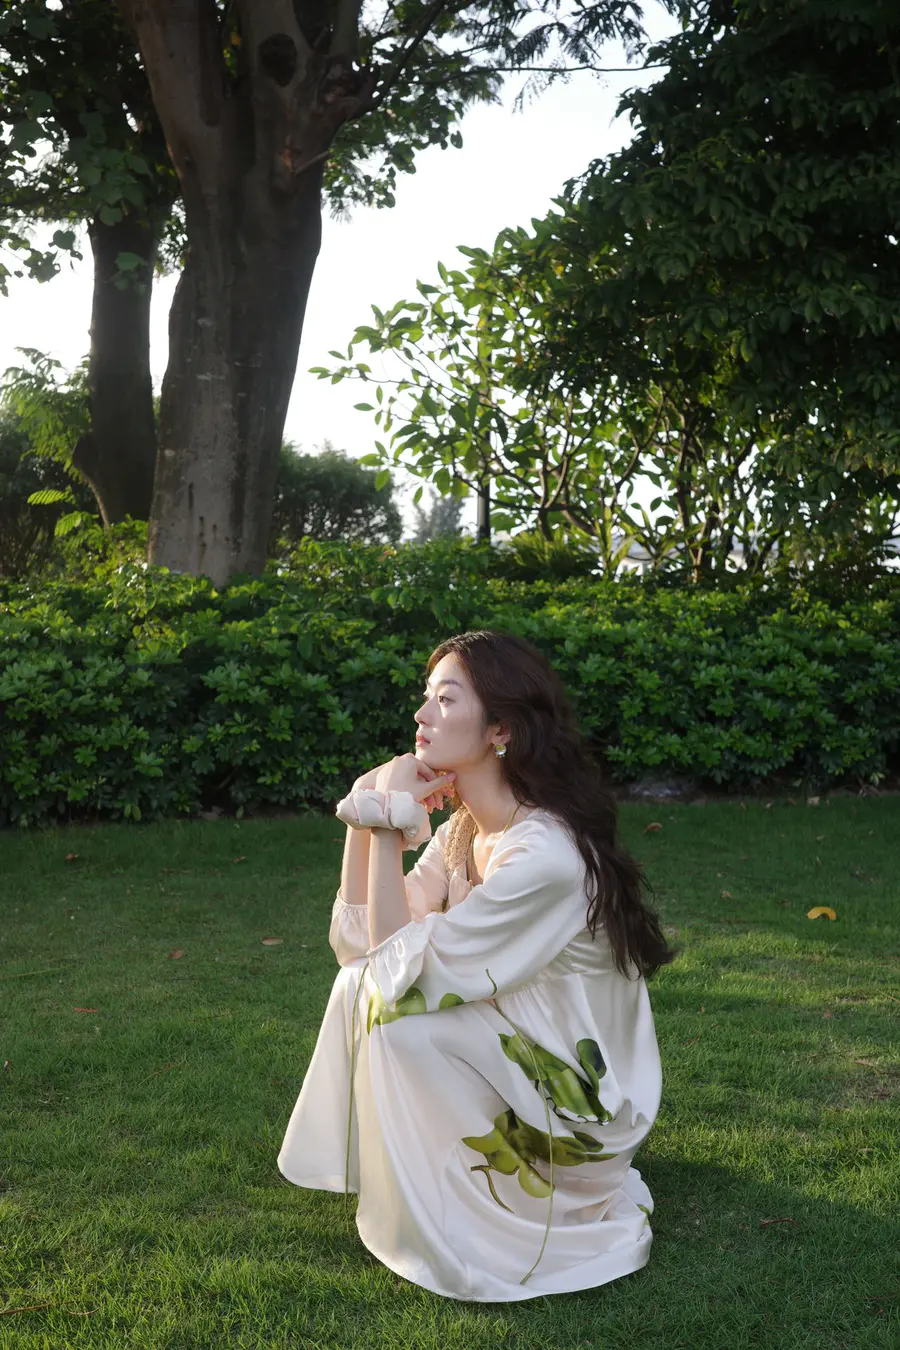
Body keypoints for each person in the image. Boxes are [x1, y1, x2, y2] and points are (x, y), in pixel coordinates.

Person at [277, 628, 675, 1302]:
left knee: (398, 1020)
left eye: (445, 699)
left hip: (579, 1114)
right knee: (368, 993)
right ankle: (435, 1182)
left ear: (500, 729)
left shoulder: (543, 856)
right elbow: (359, 948)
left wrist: (388, 820)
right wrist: (365, 812)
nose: (420, 715)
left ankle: (489, 1212)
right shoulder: (466, 831)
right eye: (425, 697)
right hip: (519, 1052)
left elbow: (391, 968)